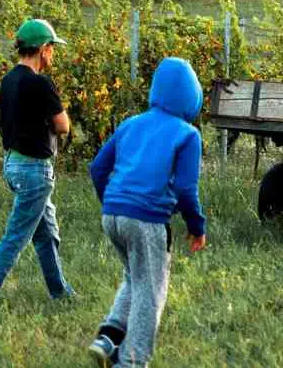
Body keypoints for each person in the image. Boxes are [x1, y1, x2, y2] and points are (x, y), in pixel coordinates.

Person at [86, 57, 208, 367]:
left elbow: (98, 168)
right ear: (191, 96)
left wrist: (111, 203)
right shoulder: (187, 135)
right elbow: (185, 189)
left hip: (112, 215)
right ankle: (131, 361)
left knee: (134, 276)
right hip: (147, 220)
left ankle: (108, 338)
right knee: (151, 292)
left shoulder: (131, 123)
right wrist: (197, 225)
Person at [0, 19, 75, 307]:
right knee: (15, 237)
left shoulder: (9, 80)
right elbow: (63, 125)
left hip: (13, 163)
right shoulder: (41, 83)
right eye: (52, 48)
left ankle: (60, 292)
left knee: (47, 234)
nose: (52, 54)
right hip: (35, 170)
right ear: (42, 49)